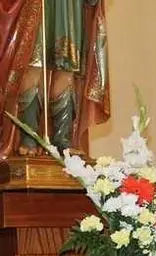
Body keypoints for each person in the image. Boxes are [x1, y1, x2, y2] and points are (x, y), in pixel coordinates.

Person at [0, 0, 110, 157]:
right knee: (34, 62)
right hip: (34, 4)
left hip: (69, 5)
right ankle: (29, 136)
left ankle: (62, 139)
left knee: (66, 66)